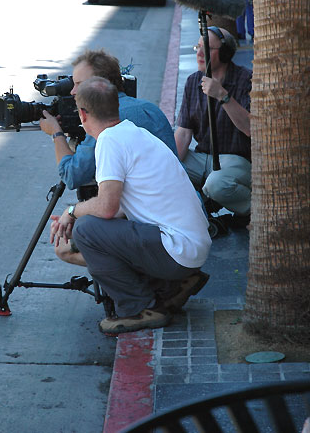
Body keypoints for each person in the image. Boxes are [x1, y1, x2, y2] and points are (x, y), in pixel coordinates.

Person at [50, 77, 211, 335]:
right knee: (88, 234)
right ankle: (168, 286)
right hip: (189, 247)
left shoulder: (110, 141)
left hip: (178, 249)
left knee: (86, 230)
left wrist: (72, 212)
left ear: (82, 114)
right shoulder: (134, 132)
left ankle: (140, 308)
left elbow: (106, 209)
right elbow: (123, 208)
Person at [39, 49, 179, 266]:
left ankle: (147, 289)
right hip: (176, 220)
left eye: (79, 84)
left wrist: (56, 133)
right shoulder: (147, 108)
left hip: (154, 230)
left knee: (67, 246)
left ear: (100, 86)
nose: (73, 92)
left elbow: (72, 174)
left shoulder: (107, 121)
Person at [174, 27, 252, 227]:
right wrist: (168, 166)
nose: (199, 53)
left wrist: (223, 96)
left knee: (217, 184)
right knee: (162, 168)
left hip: (237, 159)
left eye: (206, 48)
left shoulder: (246, 80)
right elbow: (183, 134)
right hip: (203, 158)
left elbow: (251, 129)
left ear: (225, 53)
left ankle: (255, 209)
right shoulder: (193, 82)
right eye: (198, 47)